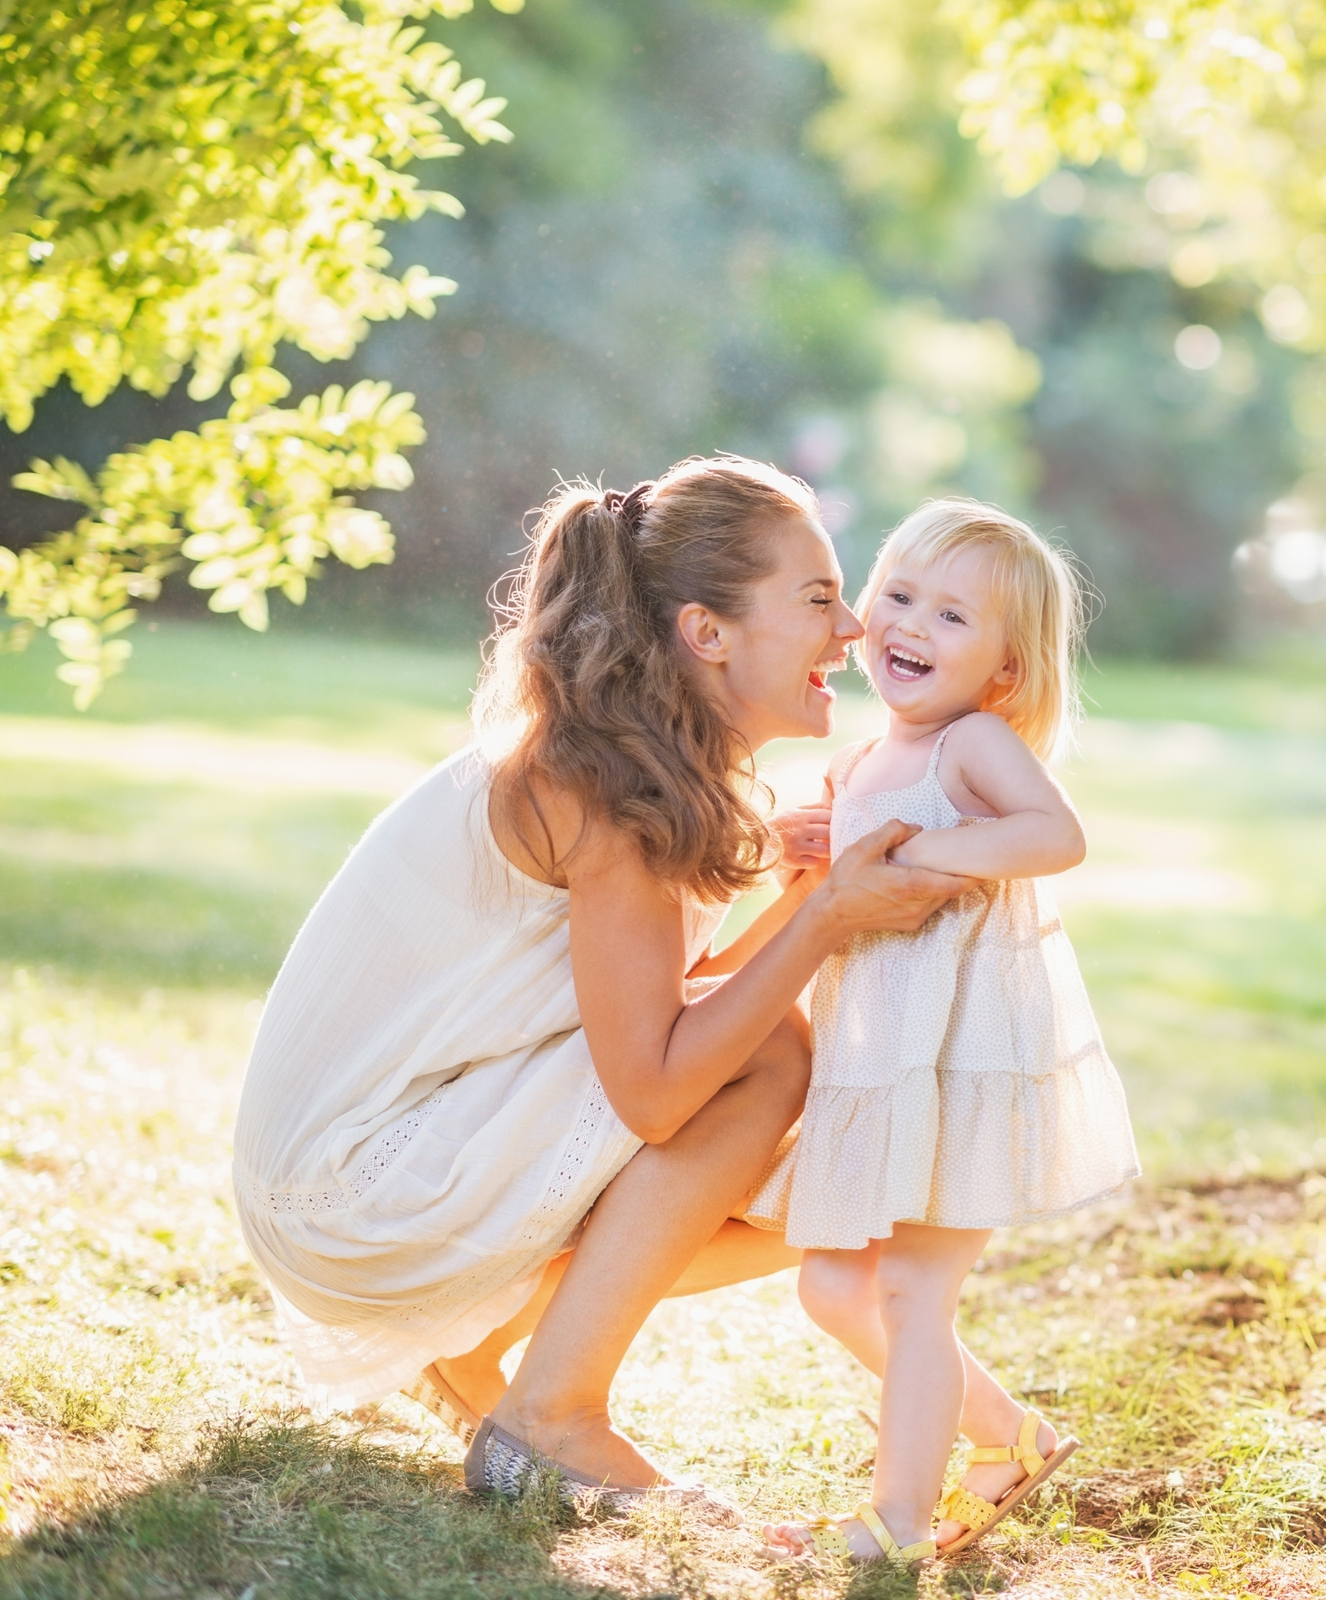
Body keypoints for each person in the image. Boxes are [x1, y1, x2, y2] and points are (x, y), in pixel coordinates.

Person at [230, 456, 973, 1509]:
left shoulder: (648, 761)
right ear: (706, 633)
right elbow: (658, 1087)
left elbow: (654, 1005)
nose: (850, 629)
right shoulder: (604, 785)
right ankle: (553, 1414)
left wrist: (792, 888)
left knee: (824, 1172)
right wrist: (822, 917)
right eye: (817, 599)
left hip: (368, 1159)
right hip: (346, 1187)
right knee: (771, 1059)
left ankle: (485, 1345)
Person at [751, 499, 1141, 1564]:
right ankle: (1011, 1438)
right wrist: (810, 843)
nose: (911, 625)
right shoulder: (869, 752)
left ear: (1004, 670)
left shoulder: (972, 741)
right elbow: (850, 874)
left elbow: (1055, 835)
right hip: (880, 1055)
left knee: (911, 1291)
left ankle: (897, 1523)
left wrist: (929, 855)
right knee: (832, 1286)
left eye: (953, 616)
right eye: (902, 597)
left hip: (962, 1057)